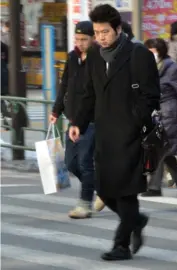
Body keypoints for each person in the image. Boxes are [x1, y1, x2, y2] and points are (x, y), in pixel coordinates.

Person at [68, 4, 160, 260]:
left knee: (124, 190)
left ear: (118, 29)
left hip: (130, 135)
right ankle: (136, 221)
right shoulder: (96, 54)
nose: (100, 37)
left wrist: (133, 121)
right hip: (105, 133)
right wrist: (79, 122)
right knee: (105, 189)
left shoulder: (138, 54)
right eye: (97, 32)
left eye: (105, 32)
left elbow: (151, 96)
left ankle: (122, 245)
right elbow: (89, 93)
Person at [50, 21, 105, 219]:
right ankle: (103, 189)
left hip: (91, 119)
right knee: (71, 163)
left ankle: (84, 204)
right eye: (77, 39)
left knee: (84, 162)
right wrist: (56, 110)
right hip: (73, 119)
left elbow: (91, 94)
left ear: (93, 39)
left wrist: (78, 122)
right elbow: (65, 85)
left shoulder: (98, 58)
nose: (80, 43)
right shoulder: (73, 57)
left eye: (84, 39)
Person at [143, 38, 177, 198]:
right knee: (166, 154)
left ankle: (154, 187)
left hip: (169, 114)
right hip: (156, 114)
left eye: (153, 52)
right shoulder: (148, 68)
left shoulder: (171, 68)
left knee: (158, 150)